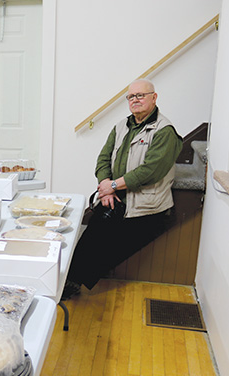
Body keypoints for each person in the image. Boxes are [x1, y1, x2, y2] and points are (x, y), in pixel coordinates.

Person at [62, 79, 183, 299]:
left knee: (106, 242)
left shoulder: (165, 131)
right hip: (116, 199)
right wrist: (106, 187)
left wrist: (114, 185)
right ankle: (69, 282)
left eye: (141, 95)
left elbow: (151, 171)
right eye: (131, 96)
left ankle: (73, 282)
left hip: (146, 208)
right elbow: (103, 159)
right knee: (92, 233)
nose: (135, 100)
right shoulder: (121, 126)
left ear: (154, 98)